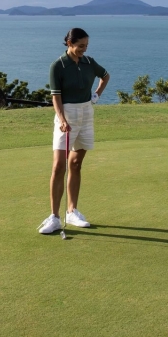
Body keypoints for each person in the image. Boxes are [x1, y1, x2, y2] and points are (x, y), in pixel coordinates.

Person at [37, 28, 110, 235]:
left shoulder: (89, 62)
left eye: (86, 46)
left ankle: (72, 211)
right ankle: (54, 217)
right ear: (69, 43)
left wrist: (96, 96)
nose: (83, 50)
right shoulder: (58, 66)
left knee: (76, 163)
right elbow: (56, 97)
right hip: (66, 113)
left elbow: (105, 76)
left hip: (86, 112)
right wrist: (61, 119)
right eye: (80, 46)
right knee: (59, 166)